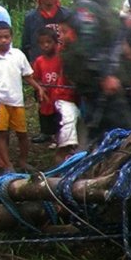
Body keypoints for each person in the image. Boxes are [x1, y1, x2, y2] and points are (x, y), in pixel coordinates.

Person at [63, 0, 131, 138]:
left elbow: (116, 48)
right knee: (123, 136)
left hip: (111, 85)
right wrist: (104, 76)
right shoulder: (87, 9)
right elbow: (87, 47)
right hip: (97, 86)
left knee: (119, 135)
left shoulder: (106, 11)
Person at [0, 21, 45, 171]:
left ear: (11, 37)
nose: (3, 40)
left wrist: (38, 87)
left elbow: (27, 75)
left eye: (6, 37)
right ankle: (7, 164)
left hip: (16, 100)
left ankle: (23, 161)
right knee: (1, 133)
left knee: (22, 133)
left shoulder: (18, 55)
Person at [20, 0, 78, 142]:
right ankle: (46, 131)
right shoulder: (31, 17)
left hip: (62, 63)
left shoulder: (66, 15)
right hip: (40, 63)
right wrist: (29, 64)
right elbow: (26, 42)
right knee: (42, 96)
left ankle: (64, 130)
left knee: (64, 97)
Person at [32, 27, 78, 163]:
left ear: (55, 42)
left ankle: (63, 144)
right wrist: (40, 88)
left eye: (49, 42)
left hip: (61, 96)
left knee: (61, 120)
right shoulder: (39, 61)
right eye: (42, 43)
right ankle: (56, 141)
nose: (46, 45)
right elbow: (36, 78)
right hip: (48, 98)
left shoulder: (61, 57)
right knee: (50, 120)